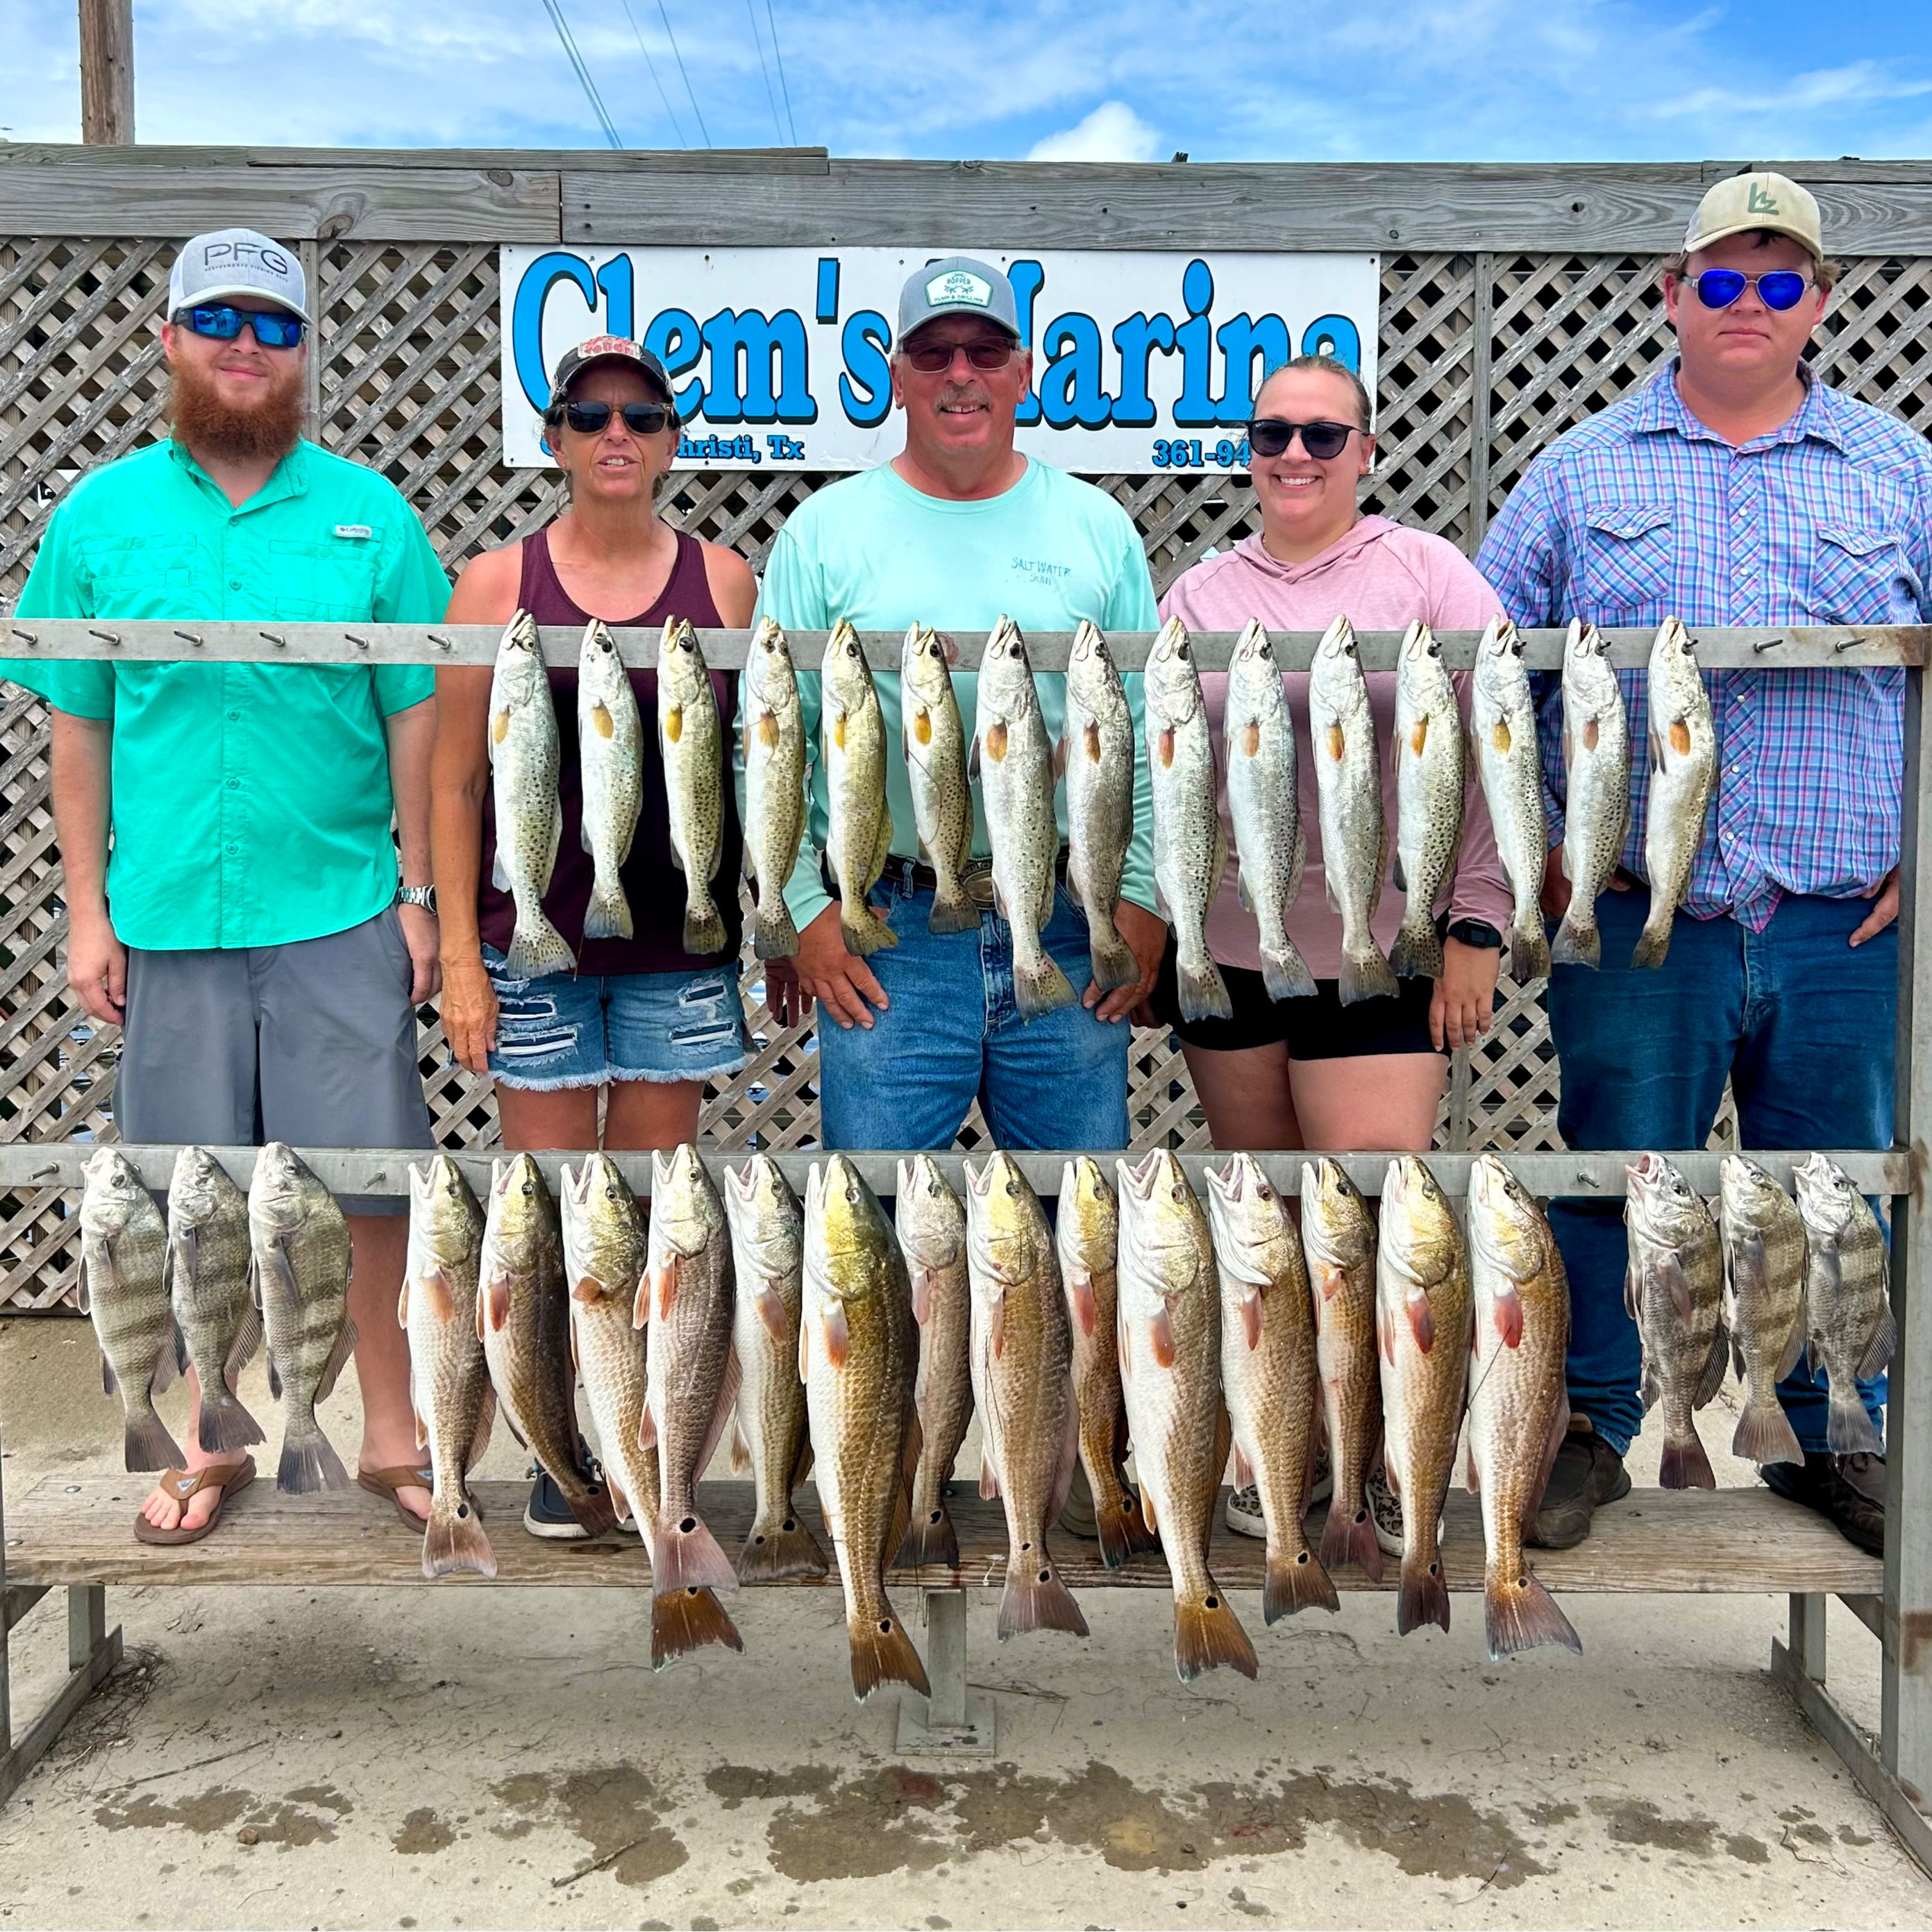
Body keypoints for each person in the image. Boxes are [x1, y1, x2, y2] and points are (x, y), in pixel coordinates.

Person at [1478, 172, 1932, 1556]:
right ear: (1669, 294)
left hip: (1834, 917)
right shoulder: (1574, 468)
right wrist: (1537, 841)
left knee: (1828, 1186)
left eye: (1776, 280)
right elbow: (1485, 663)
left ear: (1820, 300)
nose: (1747, 304)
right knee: (1617, 1172)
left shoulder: (1898, 469)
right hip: (1626, 910)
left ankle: (1829, 1425)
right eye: (1718, 280)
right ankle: (1592, 1423)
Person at [0, 229, 450, 1539]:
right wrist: (85, 909)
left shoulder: (373, 513)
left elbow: (415, 713)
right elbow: (77, 723)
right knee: (184, 1191)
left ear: (305, 351)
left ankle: (391, 1431)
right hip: (168, 918)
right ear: (172, 341)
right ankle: (215, 1434)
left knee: (367, 1185)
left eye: (274, 324)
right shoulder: (99, 517)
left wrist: (418, 893)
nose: (247, 345)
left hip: (340, 908)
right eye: (219, 320)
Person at [1156, 352, 1511, 1551]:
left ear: (1364, 451)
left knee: (1361, 1223)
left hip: (1387, 947)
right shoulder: (1197, 597)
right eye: (1271, 435)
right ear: (1245, 451)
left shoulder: (1427, 574)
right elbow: (1162, 779)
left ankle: (1376, 1464)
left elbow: (1496, 763)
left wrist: (1476, 923)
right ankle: (1285, 1452)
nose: (1294, 457)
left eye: (1322, 436)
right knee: (1263, 1227)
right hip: (1230, 950)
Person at [431, 334, 756, 1538]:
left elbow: (751, 769)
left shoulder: (724, 584)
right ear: (554, 437)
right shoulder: (491, 588)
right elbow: (456, 783)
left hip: (679, 944)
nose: (616, 432)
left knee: (659, 1208)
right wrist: (461, 951)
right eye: (588, 412)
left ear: (671, 438)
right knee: (556, 1206)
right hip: (531, 949)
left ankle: (653, 1436)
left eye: (640, 411)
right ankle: (566, 1444)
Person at [750, 258, 1163, 1154]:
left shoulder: (1096, 528)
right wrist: (801, 907)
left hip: (1068, 916)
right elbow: (770, 745)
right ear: (895, 377)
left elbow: (1147, 732)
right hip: (884, 929)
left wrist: (1140, 898)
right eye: (933, 354)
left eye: (985, 349)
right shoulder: (823, 533)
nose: (960, 373)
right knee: (880, 1238)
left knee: (1077, 1234)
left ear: (1025, 370)